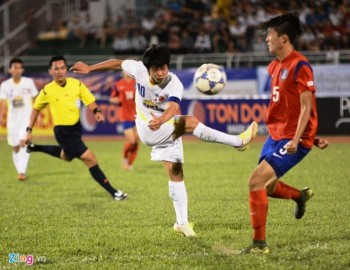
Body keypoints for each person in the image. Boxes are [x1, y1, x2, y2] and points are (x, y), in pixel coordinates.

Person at [70, 44, 258, 237]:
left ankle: (181, 223)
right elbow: (117, 63)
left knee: (175, 170)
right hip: (147, 127)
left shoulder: (174, 83)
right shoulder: (138, 69)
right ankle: (238, 141)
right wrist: (90, 68)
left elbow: (173, 107)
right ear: (148, 68)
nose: (160, 73)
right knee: (191, 122)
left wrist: (161, 119)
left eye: (163, 68)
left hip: (163, 125)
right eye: (155, 69)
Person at [241, 13, 320, 254]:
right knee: (267, 187)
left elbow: (307, 106)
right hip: (275, 136)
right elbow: (288, 105)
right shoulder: (274, 66)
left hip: (292, 139)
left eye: (270, 35)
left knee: (255, 181)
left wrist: (299, 139)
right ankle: (299, 196)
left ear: (283, 39)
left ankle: (258, 244)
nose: (266, 39)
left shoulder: (300, 65)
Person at [25, 55, 127, 201]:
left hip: (76, 128)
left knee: (66, 156)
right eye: (56, 68)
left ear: (66, 69)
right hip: (62, 132)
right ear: (50, 71)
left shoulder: (76, 84)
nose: (60, 71)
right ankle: (114, 192)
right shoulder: (47, 90)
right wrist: (29, 130)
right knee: (91, 159)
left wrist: (97, 112)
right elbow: (35, 109)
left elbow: (89, 99)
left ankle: (35, 147)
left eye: (62, 68)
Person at [0, 58, 38, 180]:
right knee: (15, 147)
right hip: (13, 121)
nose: (17, 70)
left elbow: (35, 99)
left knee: (24, 143)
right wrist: (1, 116)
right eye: (15, 67)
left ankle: (22, 172)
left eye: (19, 68)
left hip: (26, 120)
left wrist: (37, 115)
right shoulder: (5, 85)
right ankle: (20, 169)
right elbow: (2, 102)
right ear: (10, 70)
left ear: (23, 70)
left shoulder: (29, 82)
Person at [110, 71, 139, 170]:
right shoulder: (118, 84)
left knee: (136, 142)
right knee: (131, 141)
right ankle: (125, 158)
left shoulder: (137, 83)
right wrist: (116, 101)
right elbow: (112, 99)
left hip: (137, 116)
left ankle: (130, 164)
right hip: (125, 116)